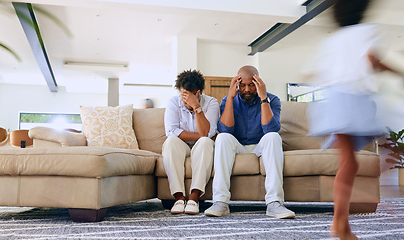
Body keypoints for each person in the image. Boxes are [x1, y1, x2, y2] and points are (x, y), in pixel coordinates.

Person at [306, 0, 401, 239]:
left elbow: (320, 72)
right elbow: (371, 59)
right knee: (390, 144)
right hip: (353, 98)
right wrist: (398, 72)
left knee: (349, 163)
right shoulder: (368, 30)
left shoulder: (333, 39)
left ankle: (341, 225)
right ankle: (387, 188)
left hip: (333, 100)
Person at [204, 65, 295, 219]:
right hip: (238, 146)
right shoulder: (228, 99)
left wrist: (263, 98)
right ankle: (220, 202)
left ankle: (274, 203)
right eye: (243, 85)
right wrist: (231, 98)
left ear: (258, 83)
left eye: (251, 85)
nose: (247, 89)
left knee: (273, 137)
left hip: (261, 146)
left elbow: (270, 129)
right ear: (237, 84)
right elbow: (226, 129)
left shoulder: (271, 99)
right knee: (222, 138)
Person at [163, 69, 220, 215]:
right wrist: (201, 136)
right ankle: (179, 198)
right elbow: (172, 131)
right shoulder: (173, 102)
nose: (185, 99)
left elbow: (208, 133)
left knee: (206, 143)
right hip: (182, 145)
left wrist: (197, 107)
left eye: (189, 95)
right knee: (170, 142)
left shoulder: (211, 103)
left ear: (198, 92)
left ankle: (194, 198)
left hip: (201, 146)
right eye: (183, 94)